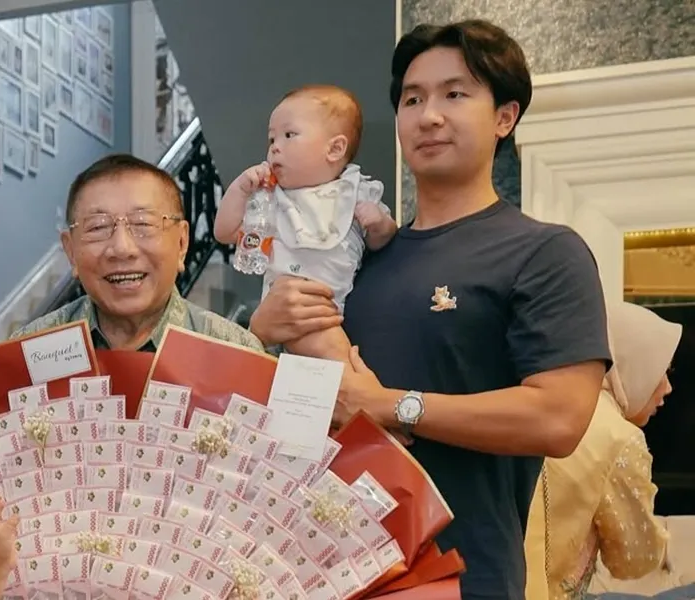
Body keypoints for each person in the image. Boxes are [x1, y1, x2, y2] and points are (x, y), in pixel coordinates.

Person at [248, 20, 610, 600]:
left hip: (463, 577)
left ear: (505, 117)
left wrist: (389, 405)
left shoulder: (544, 252)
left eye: (455, 94)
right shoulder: (356, 255)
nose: (429, 116)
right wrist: (260, 333)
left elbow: (558, 418)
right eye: (412, 99)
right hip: (320, 571)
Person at [213, 84, 398, 362]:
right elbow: (224, 232)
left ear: (335, 149)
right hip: (280, 314)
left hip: (327, 313)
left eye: (289, 135)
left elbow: (384, 241)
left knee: (327, 355)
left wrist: (379, 224)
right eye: (272, 138)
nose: (275, 147)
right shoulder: (271, 198)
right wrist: (239, 190)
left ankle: (355, 382)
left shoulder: (356, 192)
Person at [13, 153, 264, 352]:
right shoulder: (28, 353)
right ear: (71, 251)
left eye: (143, 223)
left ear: (182, 243)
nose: (122, 248)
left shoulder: (234, 351)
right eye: (98, 227)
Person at [524, 301, 678, 600]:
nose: (668, 387)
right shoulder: (618, 437)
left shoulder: (540, 404)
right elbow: (635, 560)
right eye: (664, 369)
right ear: (632, 362)